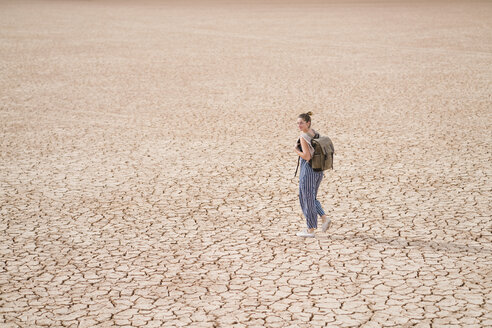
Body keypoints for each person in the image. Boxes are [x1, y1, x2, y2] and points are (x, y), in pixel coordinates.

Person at [294, 112, 331, 238]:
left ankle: (310, 229)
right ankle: (324, 218)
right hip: (318, 170)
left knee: (306, 199)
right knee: (311, 198)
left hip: (309, 171)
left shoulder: (304, 136)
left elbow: (307, 156)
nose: (299, 125)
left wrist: (296, 151)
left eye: (301, 123)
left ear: (307, 123)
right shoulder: (314, 132)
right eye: (298, 123)